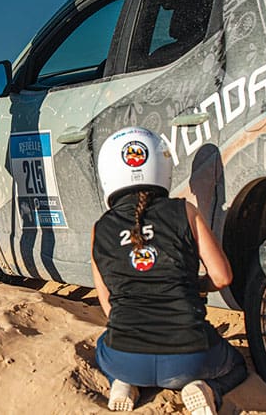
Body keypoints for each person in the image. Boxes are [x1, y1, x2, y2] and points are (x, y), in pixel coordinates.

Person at [91, 127, 247, 414]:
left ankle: (122, 382)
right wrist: (192, 285)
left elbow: (110, 308)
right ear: (161, 166)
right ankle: (205, 388)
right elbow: (222, 277)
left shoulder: (100, 228)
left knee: (104, 345)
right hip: (190, 358)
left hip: (126, 356)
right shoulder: (185, 212)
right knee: (237, 366)